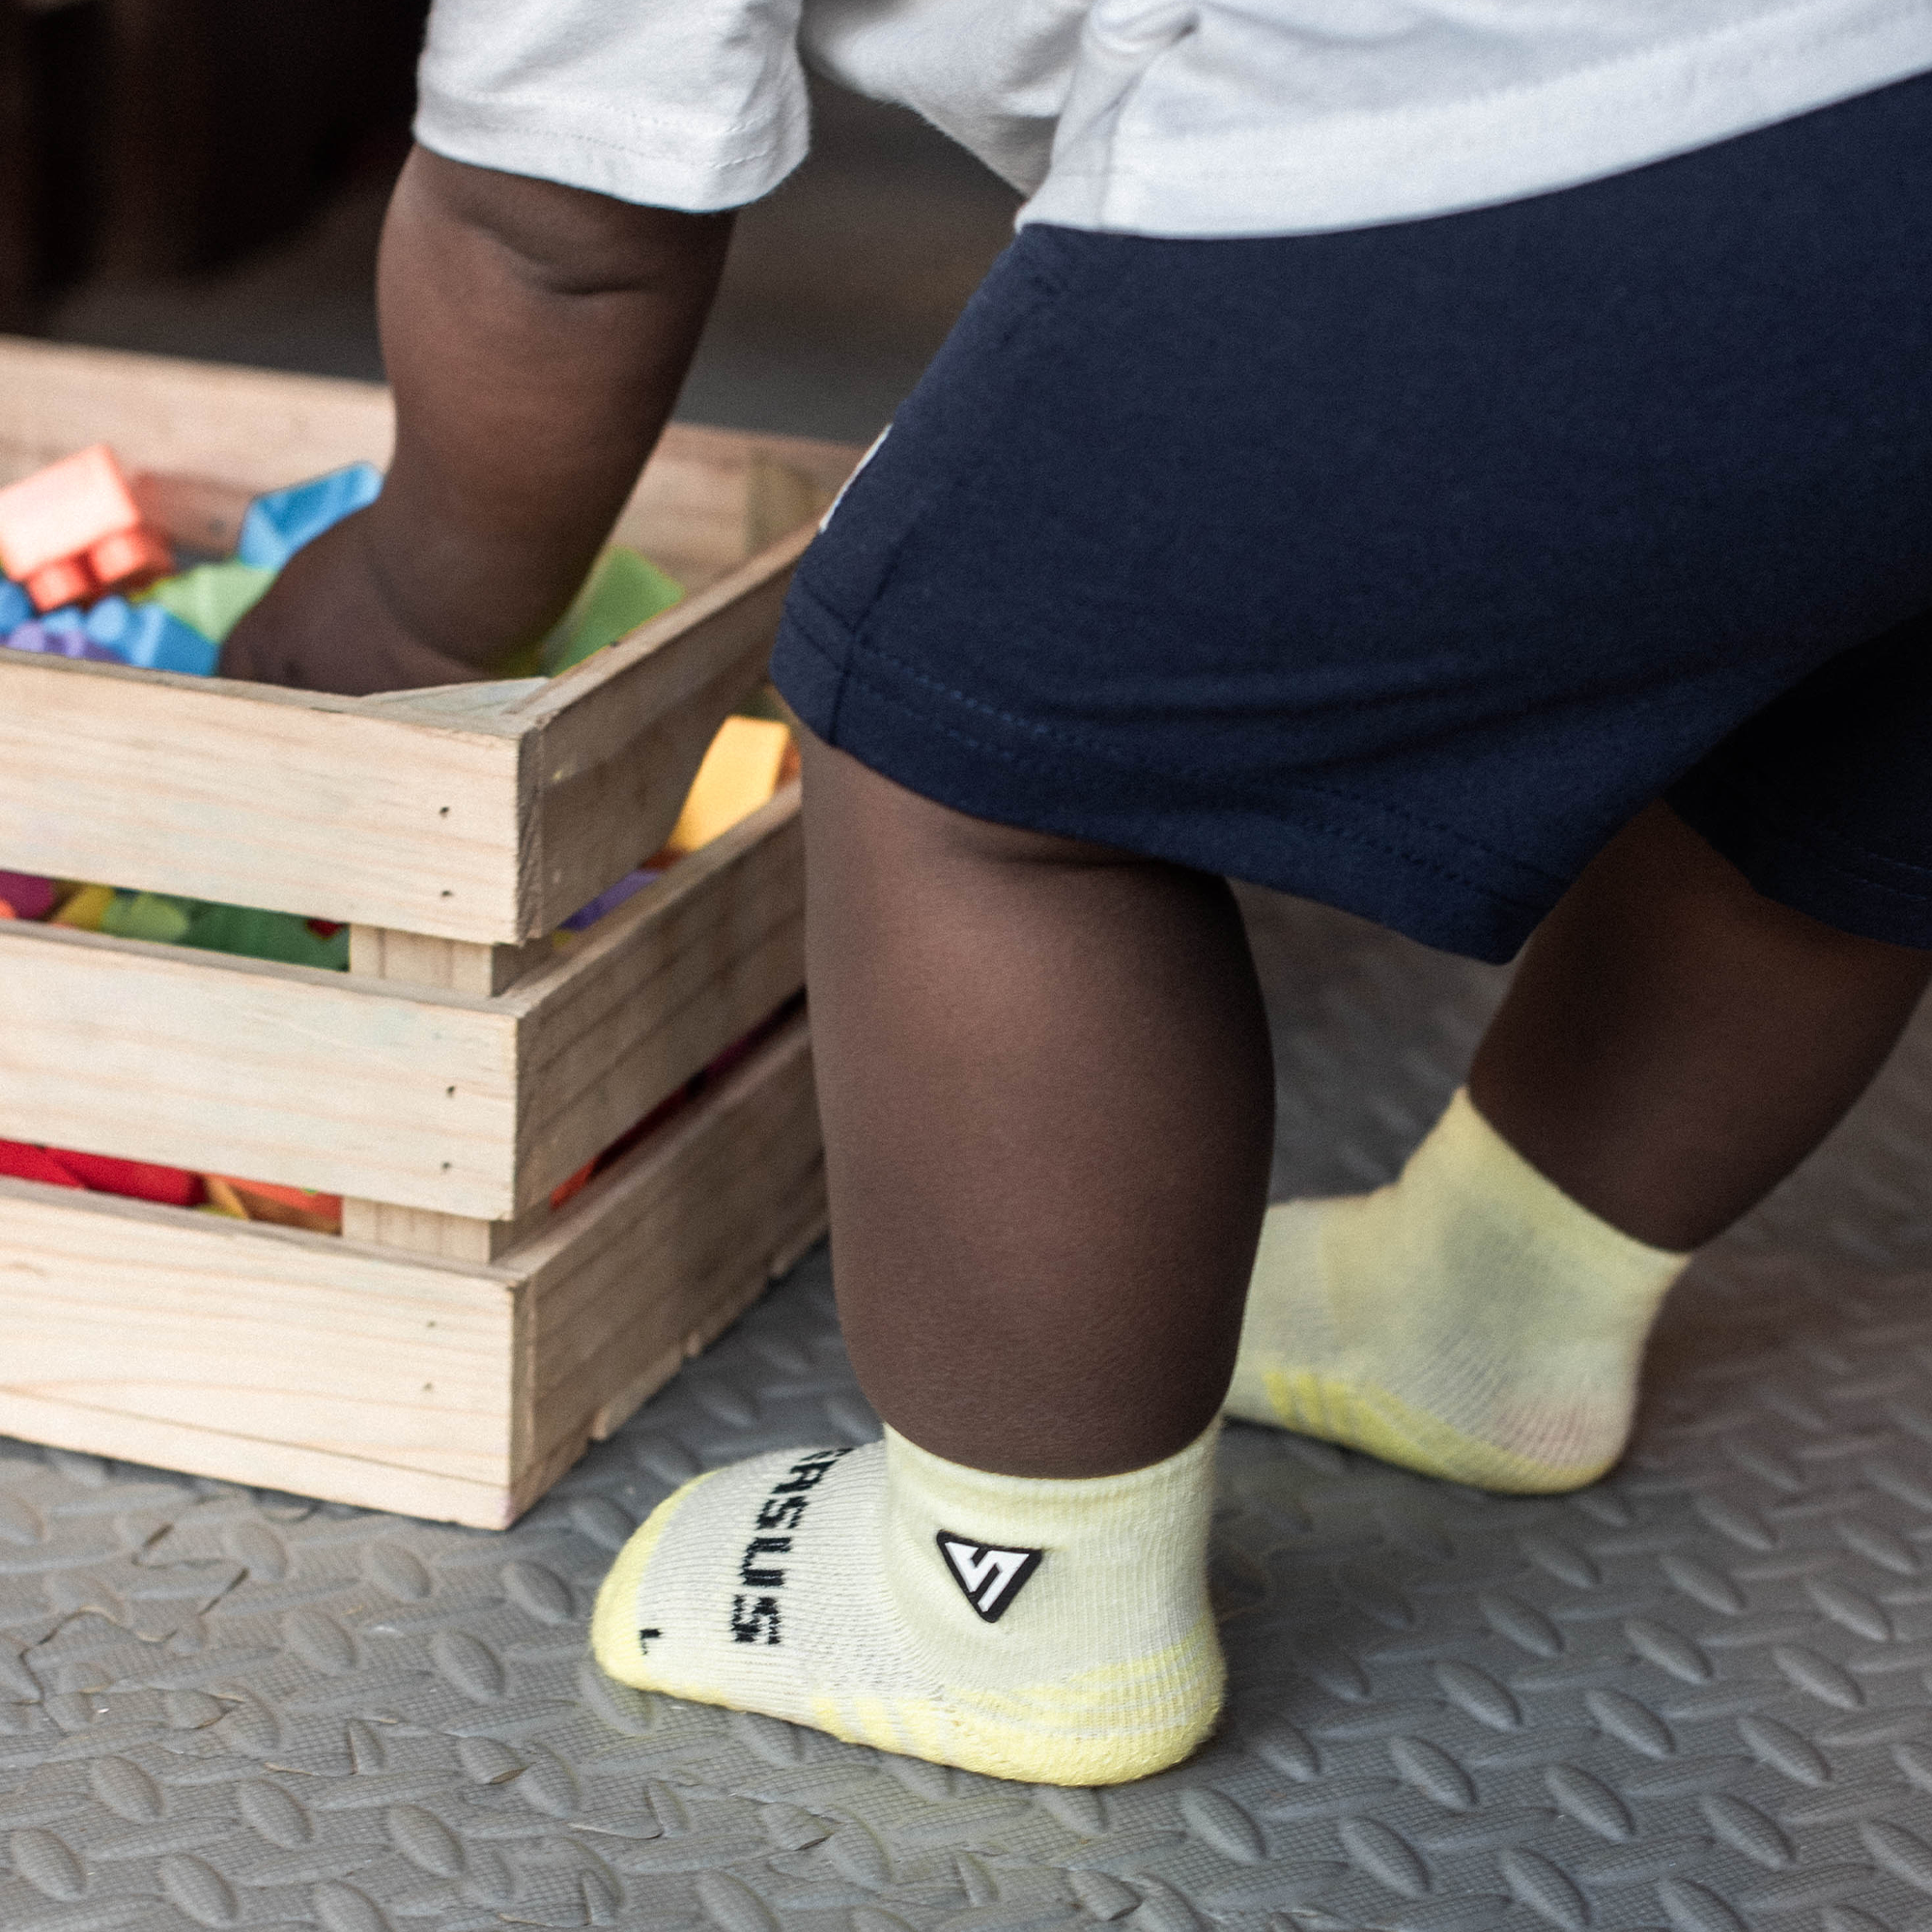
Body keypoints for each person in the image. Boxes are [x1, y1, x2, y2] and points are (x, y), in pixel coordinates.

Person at [223, 0, 1932, 1785]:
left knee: (962, 736)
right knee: (1845, 714)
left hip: (1523, 133)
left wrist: (428, 602)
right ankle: (1500, 1304)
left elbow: (555, 234)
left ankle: (1014, 1598)